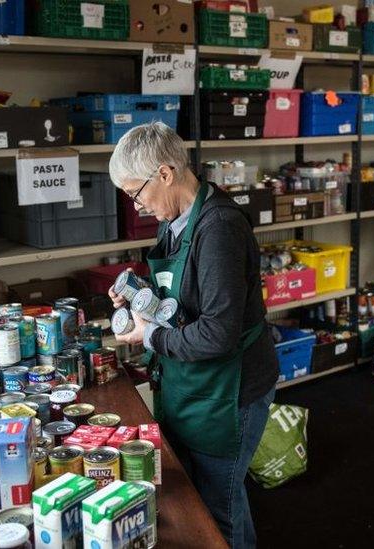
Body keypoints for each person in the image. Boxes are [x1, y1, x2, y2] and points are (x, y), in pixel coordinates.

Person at [106, 122, 279, 548]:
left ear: (164, 174)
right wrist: (140, 298)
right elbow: (183, 296)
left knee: (219, 507)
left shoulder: (218, 227)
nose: (138, 205)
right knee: (209, 495)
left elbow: (217, 334)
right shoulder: (179, 217)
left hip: (229, 390)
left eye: (136, 193)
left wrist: (149, 338)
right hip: (194, 382)